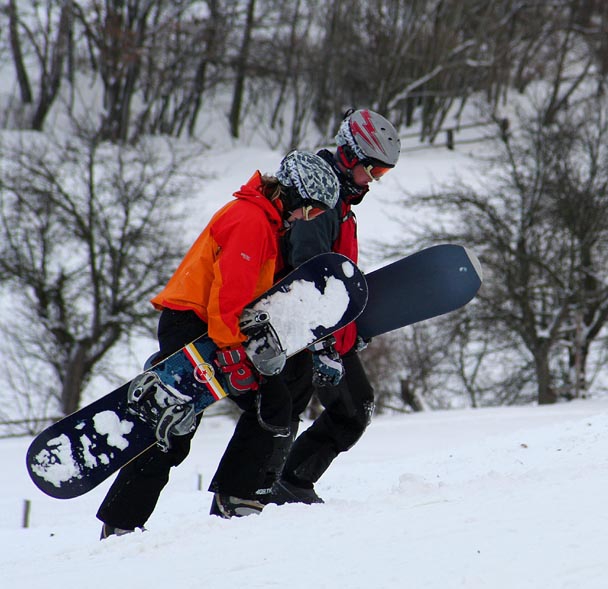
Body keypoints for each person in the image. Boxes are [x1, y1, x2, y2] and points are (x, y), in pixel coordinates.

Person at [96, 151, 340, 538]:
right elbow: (229, 294)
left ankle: (237, 498)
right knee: (174, 425)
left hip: (216, 327)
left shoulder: (267, 221)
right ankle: (122, 523)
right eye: (309, 212)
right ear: (293, 196)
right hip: (195, 326)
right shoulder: (251, 221)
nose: (305, 220)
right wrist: (232, 351)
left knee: (273, 403)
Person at [257, 108, 401, 506]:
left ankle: (290, 482)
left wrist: (352, 328)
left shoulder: (341, 201)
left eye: (382, 175)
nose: (374, 182)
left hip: (326, 329)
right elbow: (309, 271)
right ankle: (258, 492)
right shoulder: (318, 198)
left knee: (354, 408)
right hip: (298, 327)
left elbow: (338, 274)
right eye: (373, 171)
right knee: (287, 411)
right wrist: (322, 344)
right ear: (350, 156)